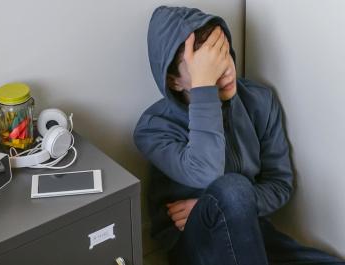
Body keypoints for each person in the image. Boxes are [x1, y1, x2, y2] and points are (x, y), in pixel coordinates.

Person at [134, 6, 345, 265]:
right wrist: (204, 90)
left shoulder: (260, 101)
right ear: (175, 81)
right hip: (193, 240)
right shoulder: (153, 129)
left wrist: (234, 207)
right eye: (207, 70)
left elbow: (279, 184)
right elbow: (206, 172)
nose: (226, 72)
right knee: (233, 188)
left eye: (224, 56)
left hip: (250, 228)